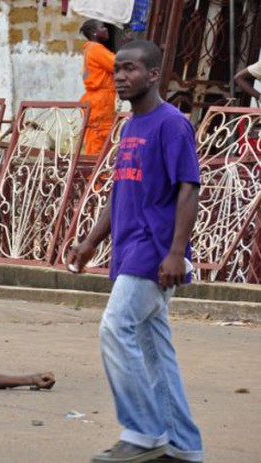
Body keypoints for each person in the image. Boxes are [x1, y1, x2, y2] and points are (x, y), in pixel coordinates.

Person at [66, 40, 204, 463]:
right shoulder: (130, 127)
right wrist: (91, 241)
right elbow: (121, 188)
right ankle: (183, 445)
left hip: (155, 253)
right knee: (154, 350)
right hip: (130, 250)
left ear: (153, 75)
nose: (121, 77)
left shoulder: (171, 124)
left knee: (115, 327)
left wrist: (177, 252)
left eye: (130, 70)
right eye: (118, 70)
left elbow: (189, 188)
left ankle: (144, 432)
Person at [79, 19, 117, 157]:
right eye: (103, 27)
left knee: (98, 142)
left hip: (97, 100)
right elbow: (116, 64)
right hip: (100, 101)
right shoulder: (96, 49)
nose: (106, 29)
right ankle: (97, 177)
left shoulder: (91, 48)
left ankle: (96, 176)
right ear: (94, 32)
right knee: (99, 142)